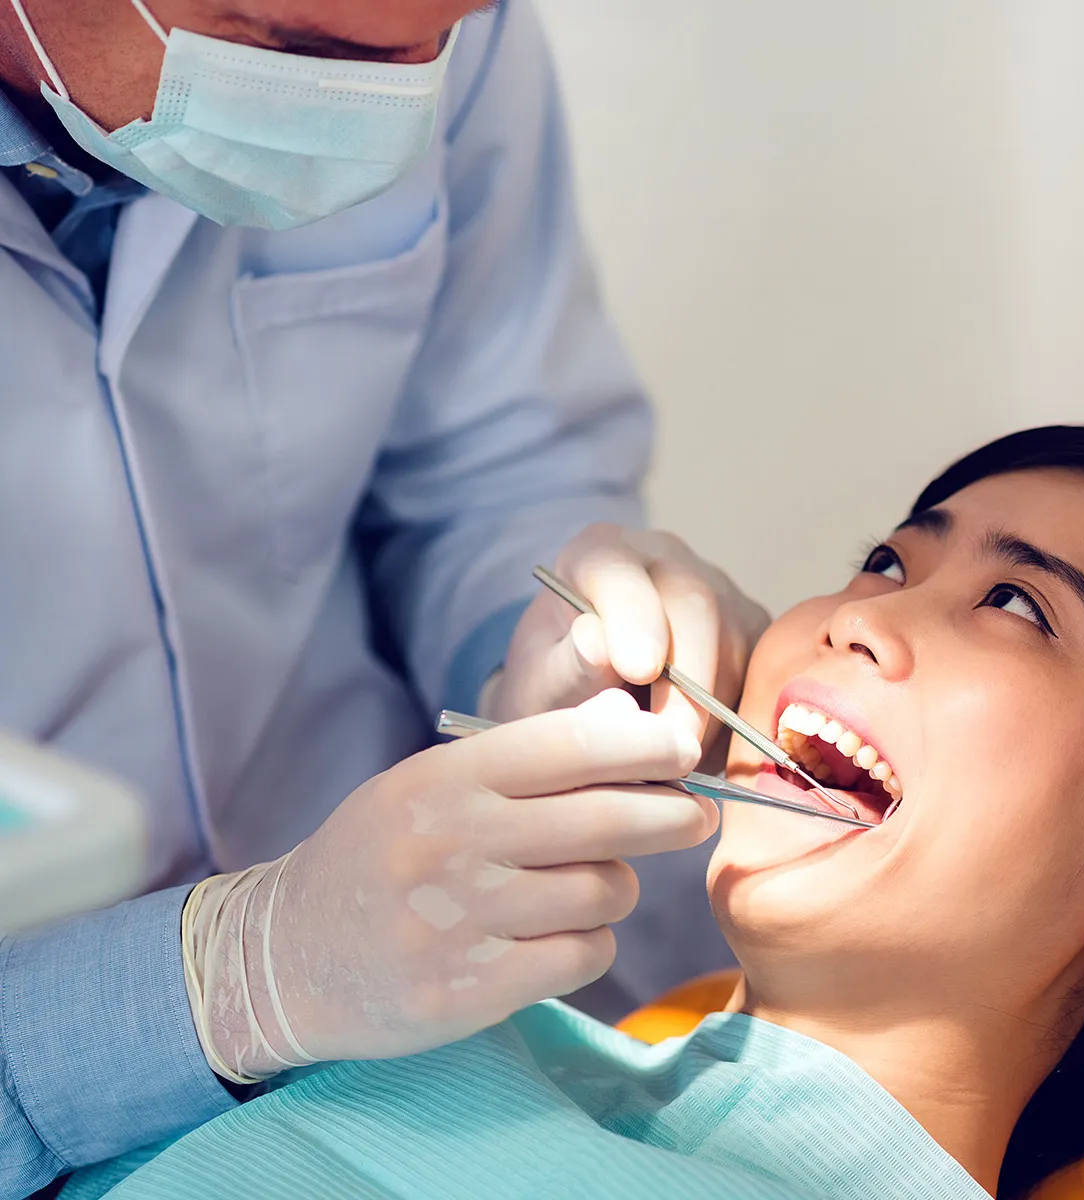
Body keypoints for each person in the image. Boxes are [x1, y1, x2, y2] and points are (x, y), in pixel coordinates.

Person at [59, 425, 1084, 1200]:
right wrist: (225, 974)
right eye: (884, 559)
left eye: (1015, 605)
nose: (855, 623)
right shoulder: (418, 1024)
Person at [0, 3, 758, 1194]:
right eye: (308, 53)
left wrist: (530, 640)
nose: (400, 87)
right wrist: (218, 980)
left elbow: (486, 463)